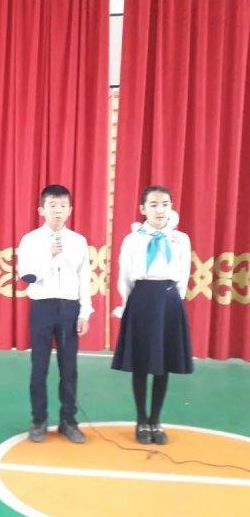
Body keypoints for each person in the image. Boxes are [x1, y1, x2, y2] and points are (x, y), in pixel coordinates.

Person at [111, 186, 193, 445]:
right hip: (142, 300)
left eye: (165, 204)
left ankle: (156, 419)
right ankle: (141, 420)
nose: (160, 210)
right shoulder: (133, 239)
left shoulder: (180, 239)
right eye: (154, 204)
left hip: (168, 301)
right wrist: (129, 304)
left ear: (171, 207)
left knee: (163, 362)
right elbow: (124, 275)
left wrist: (173, 301)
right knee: (141, 362)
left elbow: (184, 273)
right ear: (143, 209)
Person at [17, 184, 93, 444]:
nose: (58, 211)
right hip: (42, 306)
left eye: (62, 206)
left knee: (69, 367)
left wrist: (85, 311)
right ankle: (38, 420)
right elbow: (27, 275)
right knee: (39, 366)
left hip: (69, 308)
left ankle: (68, 420)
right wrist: (48, 256)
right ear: (42, 210)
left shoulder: (78, 241)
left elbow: (84, 277)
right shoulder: (31, 240)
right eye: (52, 205)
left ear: (70, 210)